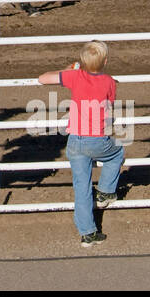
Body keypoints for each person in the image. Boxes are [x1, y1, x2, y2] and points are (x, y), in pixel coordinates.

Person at [38, 41, 123, 246]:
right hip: (97, 138)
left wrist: (67, 70)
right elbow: (109, 106)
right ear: (105, 61)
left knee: (81, 187)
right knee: (117, 154)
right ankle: (105, 191)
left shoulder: (74, 76)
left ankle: (88, 233)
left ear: (82, 61)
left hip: (75, 139)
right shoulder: (109, 81)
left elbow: (42, 79)